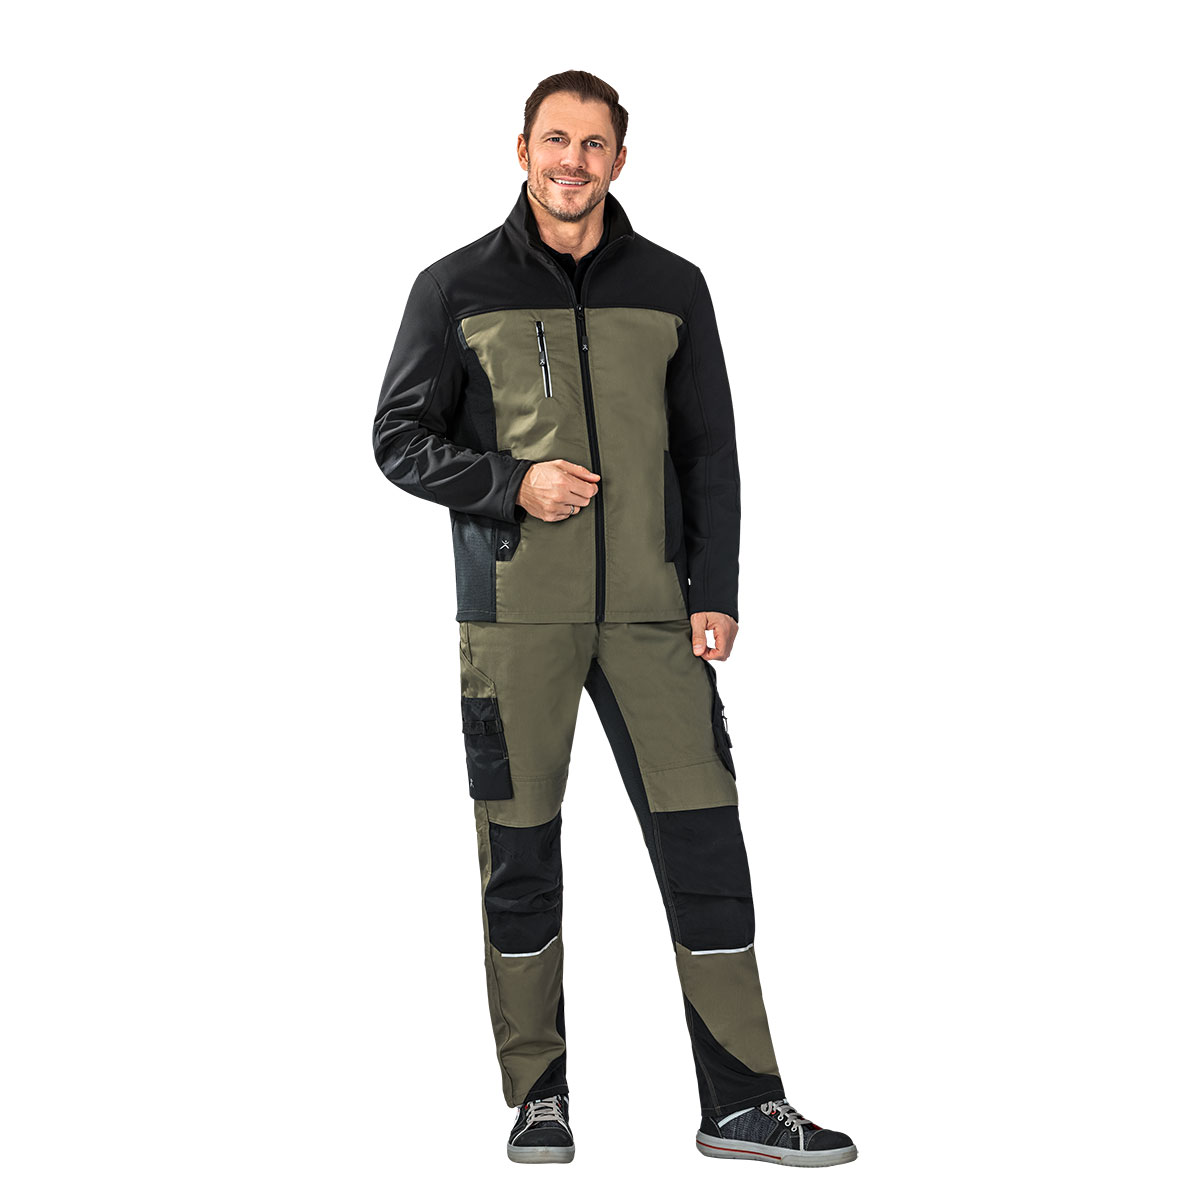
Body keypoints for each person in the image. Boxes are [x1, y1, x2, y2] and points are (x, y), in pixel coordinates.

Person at [372, 69, 857, 1168]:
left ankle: (743, 1102)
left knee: (705, 841)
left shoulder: (674, 286)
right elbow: (398, 438)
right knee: (519, 852)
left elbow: (710, 448)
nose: (573, 161)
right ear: (523, 151)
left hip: (654, 617)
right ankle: (538, 1095)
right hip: (514, 621)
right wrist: (512, 484)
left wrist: (715, 588)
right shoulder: (456, 287)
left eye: (594, 144)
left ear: (620, 160)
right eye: (556, 140)